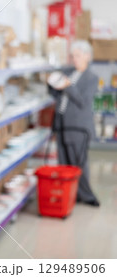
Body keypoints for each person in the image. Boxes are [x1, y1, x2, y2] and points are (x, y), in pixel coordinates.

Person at [48, 40, 100, 207]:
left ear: (87, 57)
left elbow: (83, 101)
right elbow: (55, 93)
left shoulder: (92, 78)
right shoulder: (67, 71)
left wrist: (68, 86)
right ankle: (70, 193)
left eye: (78, 56)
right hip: (62, 123)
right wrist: (53, 84)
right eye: (73, 56)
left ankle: (87, 196)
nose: (74, 59)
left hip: (78, 128)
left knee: (79, 163)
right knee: (64, 163)